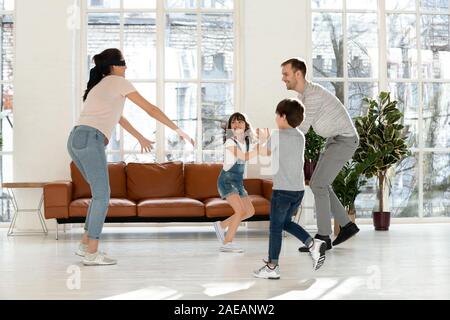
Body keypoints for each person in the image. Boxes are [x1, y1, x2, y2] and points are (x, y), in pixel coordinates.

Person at [68, 48, 195, 266]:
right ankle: (92, 253)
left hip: (76, 139)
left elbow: (119, 118)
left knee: (99, 194)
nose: (126, 67)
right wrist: (178, 130)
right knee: (102, 195)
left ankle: (84, 244)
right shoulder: (118, 82)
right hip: (90, 139)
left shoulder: (101, 86)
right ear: (114, 66)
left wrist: (141, 137)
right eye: (123, 63)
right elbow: (151, 109)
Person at [280, 58, 360, 252]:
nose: (283, 79)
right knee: (319, 183)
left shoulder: (312, 96)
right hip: (335, 140)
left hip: (345, 140)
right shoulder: (305, 97)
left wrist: (277, 138)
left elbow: (303, 129)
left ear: (298, 74)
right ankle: (347, 225)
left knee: (318, 184)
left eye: (286, 74)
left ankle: (324, 237)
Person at [253, 99, 326, 280]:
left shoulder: (277, 135)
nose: (275, 118)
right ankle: (312, 244)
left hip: (282, 191)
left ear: (283, 117)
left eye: (277, 115)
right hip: (298, 191)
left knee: (275, 229)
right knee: (285, 223)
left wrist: (260, 139)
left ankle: (272, 266)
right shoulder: (300, 136)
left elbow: (263, 152)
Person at [213, 112, 264, 253]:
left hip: (238, 182)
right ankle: (227, 243)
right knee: (240, 211)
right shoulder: (230, 142)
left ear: (246, 126)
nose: (236, 124)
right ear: (229, 126)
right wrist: (259, 148)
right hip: (227, 181)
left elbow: (261, 150)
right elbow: (245, 157)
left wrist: (262, 142)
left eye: (240, 122)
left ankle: (221, 225)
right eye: (233, 122)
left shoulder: (246, 142)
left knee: (249, 211)